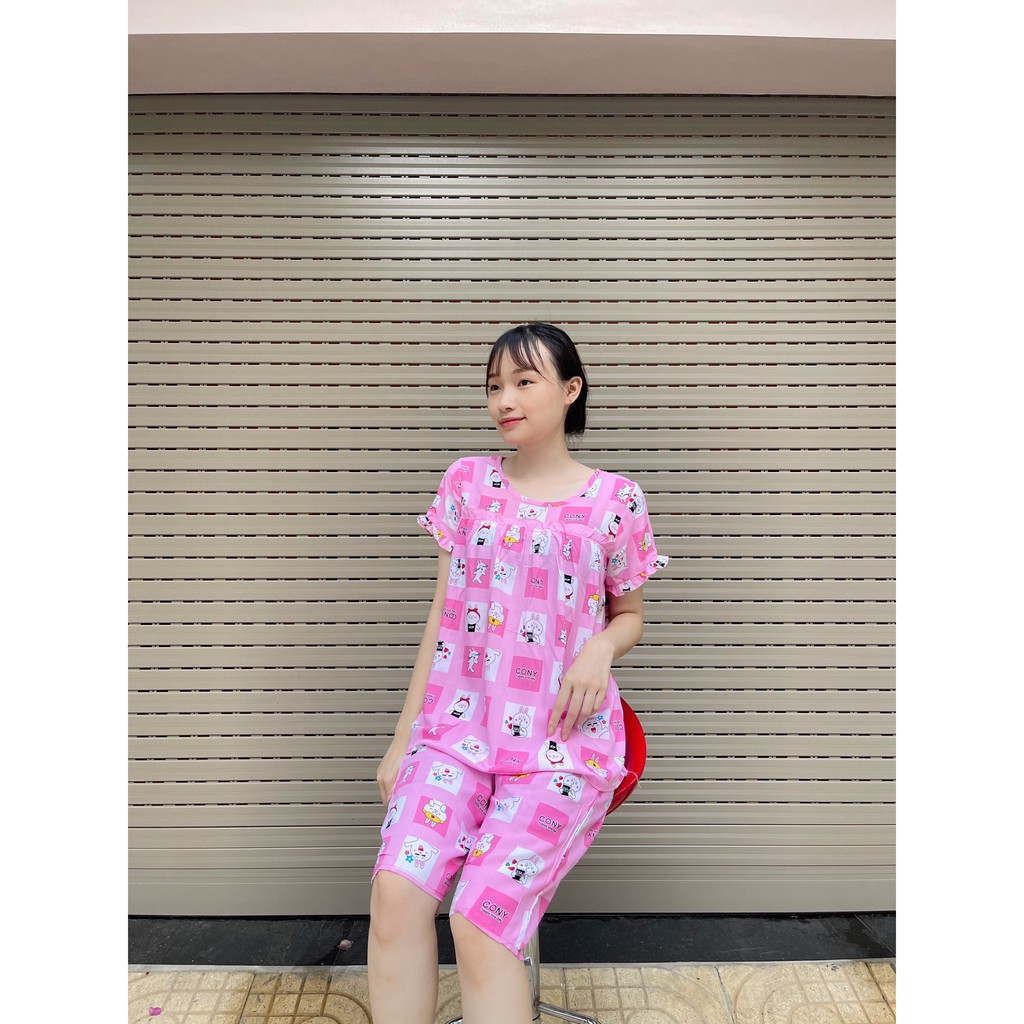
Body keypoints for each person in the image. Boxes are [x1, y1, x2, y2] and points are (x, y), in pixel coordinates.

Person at [367, 322, 669, 1024]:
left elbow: (630, 615)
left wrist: (601, 648)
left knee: (480, 921)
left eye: (524, 382)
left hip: (560, 745)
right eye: (494, 385)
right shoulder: (466, 484)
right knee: (395, 894)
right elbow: (443, 616)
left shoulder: (616, 500)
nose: (504, 399)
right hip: (456, 736)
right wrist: (403, 738)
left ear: (571, 390)